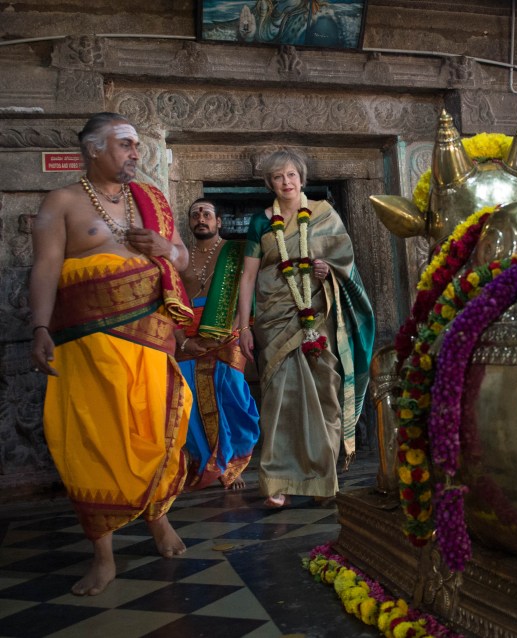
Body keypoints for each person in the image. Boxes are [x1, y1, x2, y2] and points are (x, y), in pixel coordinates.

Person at [29, 112, 195, 596]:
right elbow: (44, 269)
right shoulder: (61, 202)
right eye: (125, 144)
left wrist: (165, 246)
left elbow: (180, 259)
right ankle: (102, 553)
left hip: (152, 341)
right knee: (93, 440)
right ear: (93, 149)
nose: (134, 154)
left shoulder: (154, 202)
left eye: (137, 146)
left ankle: (159, 518)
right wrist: (39, 325)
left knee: (162, 429)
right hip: (89, 347)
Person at [236, 148, 375, 508]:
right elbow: (248, 277)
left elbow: (345, 263)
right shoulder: (260, 223)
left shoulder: (324, 214)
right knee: (279, 398)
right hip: (273, 317)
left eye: (292, 175)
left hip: (318, 313)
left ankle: (322, 479)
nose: (286, 182)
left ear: (302, 179)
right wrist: (243, 326)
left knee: (324, 391)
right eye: (278, 177)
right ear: (270, 182)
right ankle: (276, 482)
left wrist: (327, 271)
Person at [175, 198, 260, 490]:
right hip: (188, 335)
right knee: (189, 398)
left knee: (232, 395)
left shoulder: (235, 253)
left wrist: (235, 328)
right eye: (195, 213)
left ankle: (233, 463)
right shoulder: (180, 257)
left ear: (219, 222)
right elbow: (168, 301)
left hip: (228, 331)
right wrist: (182, 341)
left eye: (207, 214)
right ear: (189, 222)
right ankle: (206, 465)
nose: (201, 218)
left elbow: (249, 292)